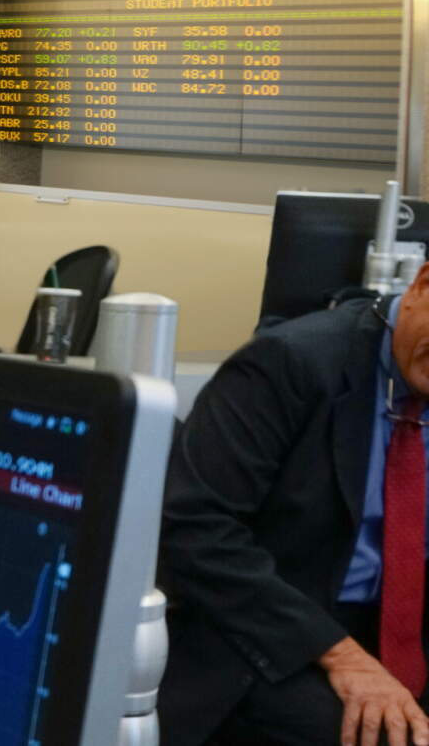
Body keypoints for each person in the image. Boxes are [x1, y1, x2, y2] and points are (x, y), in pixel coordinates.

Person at [161, 268, 429, 746]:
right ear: (423, 285)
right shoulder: (290, 362)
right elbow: (192, 527)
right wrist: (343, 656)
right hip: (269, 632)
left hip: (397, 628)